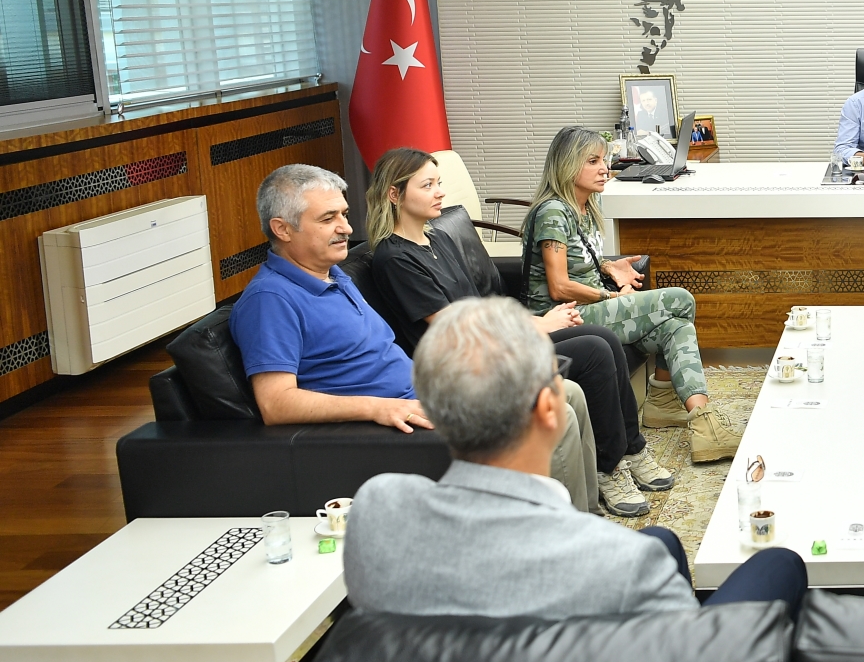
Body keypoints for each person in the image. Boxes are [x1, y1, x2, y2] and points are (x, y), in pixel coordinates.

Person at [345, 297, 807, 619]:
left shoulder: (376, 510)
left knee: (663, 541)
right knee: (779, 563)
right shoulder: (616, 559)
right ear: (551, 410)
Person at [229, 164, 602, 513]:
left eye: (343, 214)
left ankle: (585, 516)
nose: (345, 227)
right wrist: (378, 408)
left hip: (429, 394)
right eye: (328, 219)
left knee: (565, 391)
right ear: (282, 229)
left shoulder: (334, 274)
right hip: (394, 421)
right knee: (553, 413)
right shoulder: (270, 300)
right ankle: (563, 537)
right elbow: (276, 404)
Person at [362, 147, 670, 519]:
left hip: (495, 341)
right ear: (394, 194)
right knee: (594, 351)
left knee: (602, 339)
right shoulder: (394, 259)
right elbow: (453, 324)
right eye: (427, 186)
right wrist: (536, 325)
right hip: (471, 362)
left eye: (438, 183)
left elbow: (478, 305)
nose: (439, 192)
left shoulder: (436, 237)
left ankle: (631, 450)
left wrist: (530, 325)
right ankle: (609, 468)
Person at [523, 127, 742, 464]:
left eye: (604, 160)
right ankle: (665, 402)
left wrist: (608, 266)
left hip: (588, 305)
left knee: (676, 327)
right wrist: (609, 296)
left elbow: (580, 260)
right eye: (593, 162)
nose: (604, 169)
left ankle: (698, 422)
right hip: (566, 315)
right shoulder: (553, 212)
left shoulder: (586, 204)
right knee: (680, 300)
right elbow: (559, 286)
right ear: (567, 165)